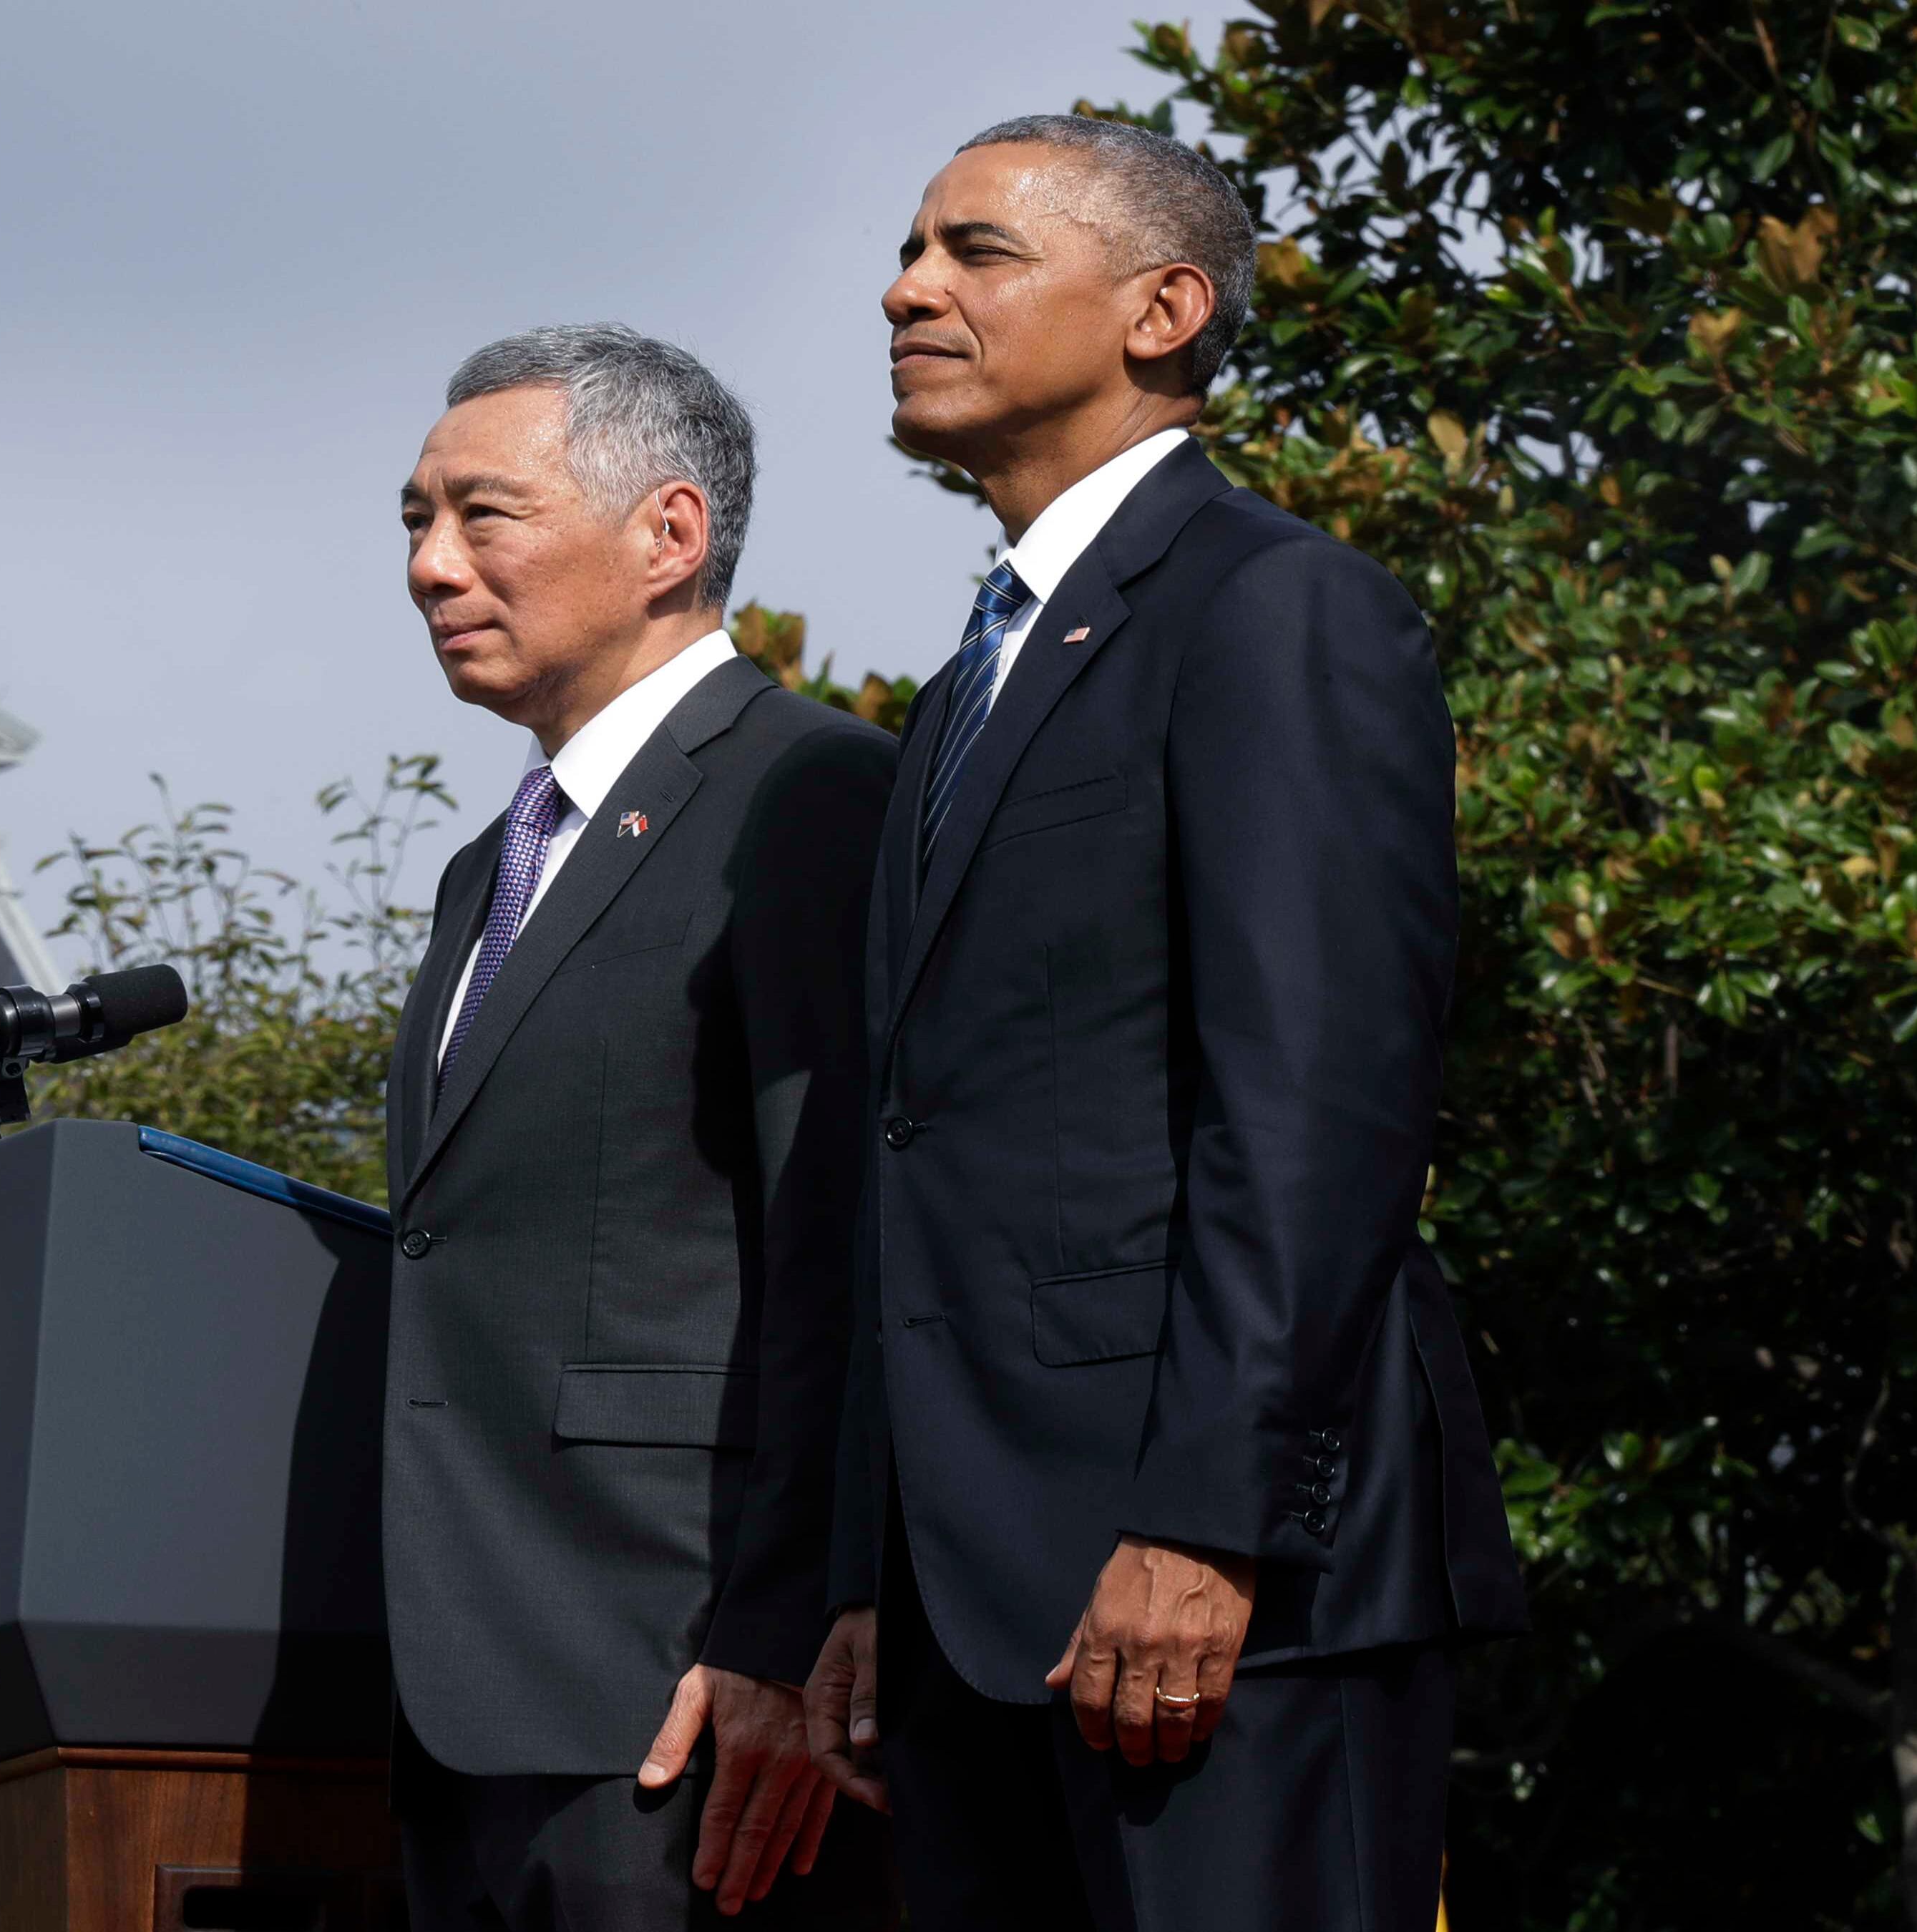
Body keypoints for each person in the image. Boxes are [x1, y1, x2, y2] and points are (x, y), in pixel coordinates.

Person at [802, 116, 1530, 1931]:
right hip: (973, 1615)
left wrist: (1210, 1526)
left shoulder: (1273, 609)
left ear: (1162, 308)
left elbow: (1316, 1109)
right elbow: (926, 1153)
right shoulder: (970, 684)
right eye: (909, 250)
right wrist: (858, 1574)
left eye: (975, 251)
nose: (907, 289)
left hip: (1219, 1594)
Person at [384, 324, 897, 1931]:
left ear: (668, 536)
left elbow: (842, 1246)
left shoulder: (809, 797)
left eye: (485, 516)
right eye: (411, 520)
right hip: (452, 1684)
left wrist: (784, 1628)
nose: (428, 566)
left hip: (683, 1691)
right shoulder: (492, 868)